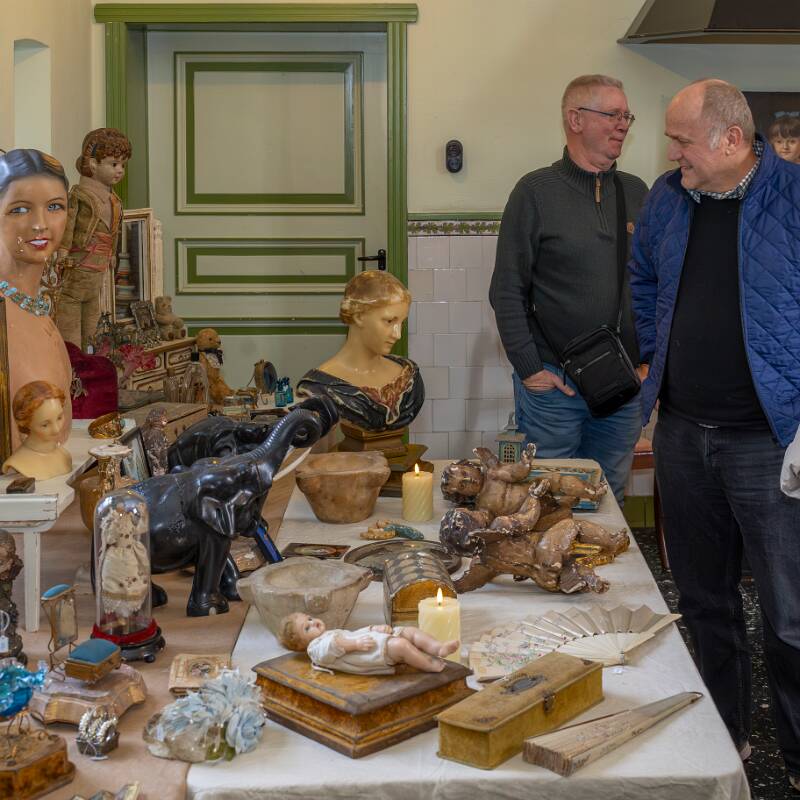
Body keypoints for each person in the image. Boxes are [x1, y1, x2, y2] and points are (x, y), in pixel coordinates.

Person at [630, 79, 800, 791]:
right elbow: (643, 280)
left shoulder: (794, 198)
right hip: (682, 435)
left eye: (682, 141)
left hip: (769, 443)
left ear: (732, 139)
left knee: (790, 616)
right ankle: (726, 738)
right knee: (704, 601)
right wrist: (652, 353)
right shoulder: (668, 198)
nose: (673, 154)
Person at [489, 74, 648, 503]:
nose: (623, 124)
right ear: (575, 119)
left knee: (607, 500)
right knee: (548, 501)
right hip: (554, 387)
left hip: (622, 387)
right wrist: (529, 369)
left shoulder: (637, 192)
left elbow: (654, 286)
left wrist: (648, 363)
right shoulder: (534, 192)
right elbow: (506, 289)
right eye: (612, 114)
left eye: (627, 116)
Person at [0, 148, 73, 450]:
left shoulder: (35, 309)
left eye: (55, 206)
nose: (40, 224)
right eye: (19, 209)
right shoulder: (5, 318)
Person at [297, 270, 424, 431]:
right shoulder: (320, 389)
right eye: (389, 321)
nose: (397, 334)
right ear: (359, 316)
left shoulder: (407, 378)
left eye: (401, 323)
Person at [56, 127, 130, 350]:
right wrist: (62, 252)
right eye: (114, 164)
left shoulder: (114, 200)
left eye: (123, 165)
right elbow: (68, 226)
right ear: (93, 164)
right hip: (79, 264)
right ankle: (72, 357)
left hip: (98, 269)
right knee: (69, 311)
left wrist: (112, 254)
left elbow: (113, 230)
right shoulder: (80, 196)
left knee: (92, 314)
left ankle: (91, 356)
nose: (120, 170)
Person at [279, 612, 459, 675]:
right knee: (401, 646)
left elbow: (354, 634)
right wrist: (354, 645)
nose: (312, 623)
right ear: (302, 645)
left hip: (374, 640)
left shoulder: (329, 633)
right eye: (306, 628)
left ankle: (438, 648)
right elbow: (332, 647)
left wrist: (374, 628)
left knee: (409, 631)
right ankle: (428, 665)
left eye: (309, 618)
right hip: (371, 653)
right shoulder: (315, 650)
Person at [2, 381, 72, 480]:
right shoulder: (19, 463)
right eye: (45, 425)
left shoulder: (64, 456)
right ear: (25, 423)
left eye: (59, 418)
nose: (56, 429)